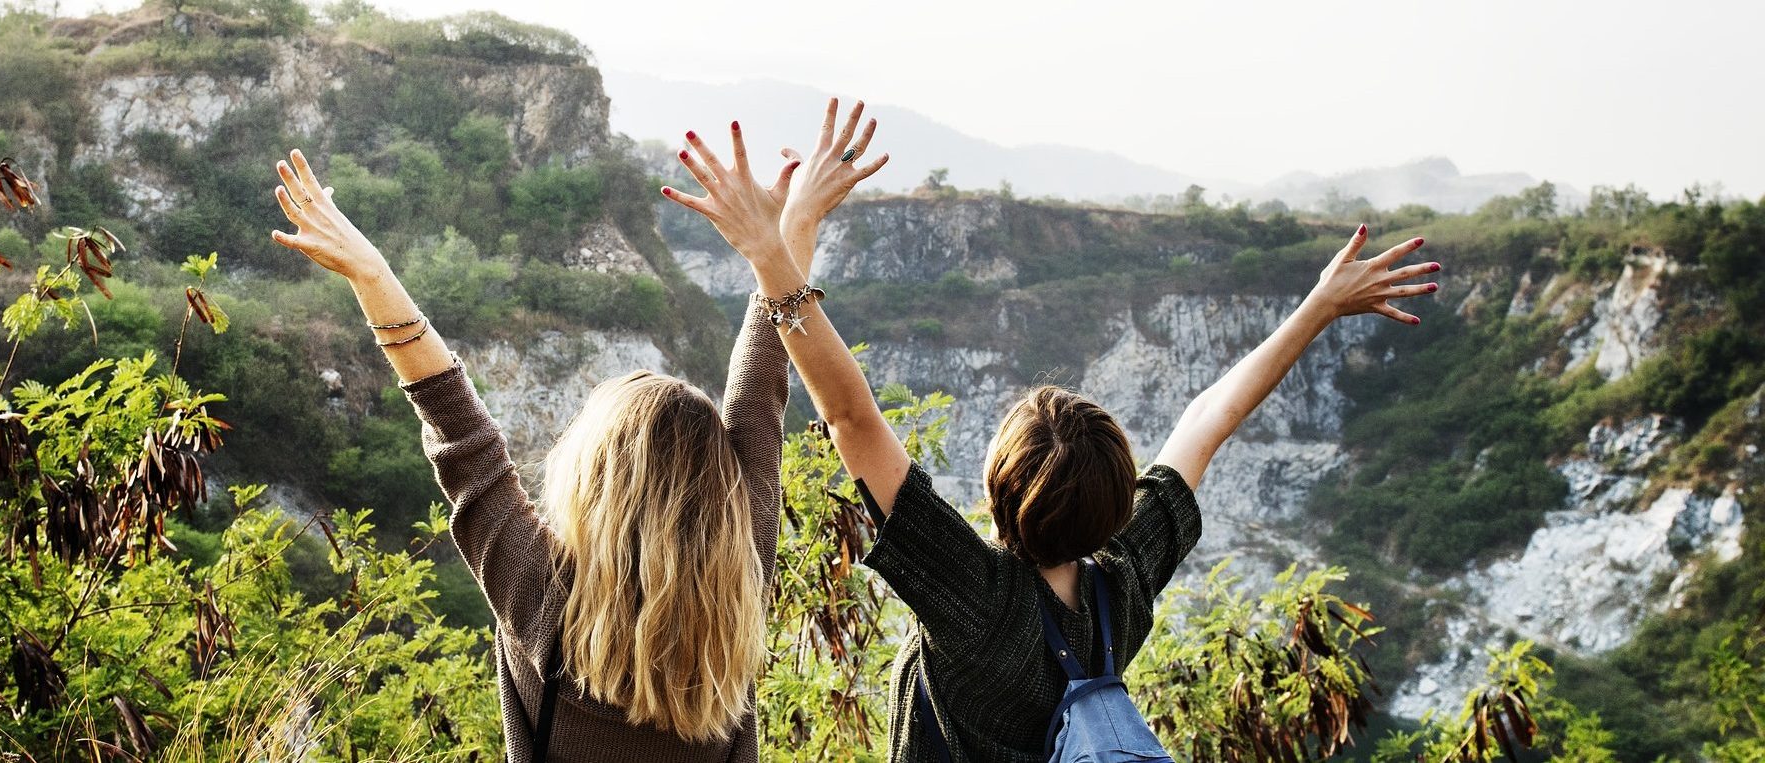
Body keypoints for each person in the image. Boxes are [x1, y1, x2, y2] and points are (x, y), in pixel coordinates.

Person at [667, 101, 1442, 762]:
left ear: (996, 486)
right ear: (1115, 506)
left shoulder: (978, 597)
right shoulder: (1123, 586)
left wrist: (774, 253)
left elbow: (847, 415)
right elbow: (1208, 421)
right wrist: (1317, 308)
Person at [267, 134, 861, 761]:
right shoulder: (741, 575)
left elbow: (457, 426)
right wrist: (791, 231)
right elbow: (761, 391)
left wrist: (370, 272)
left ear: (593, 478)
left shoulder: (541, 597)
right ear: (721, 494)